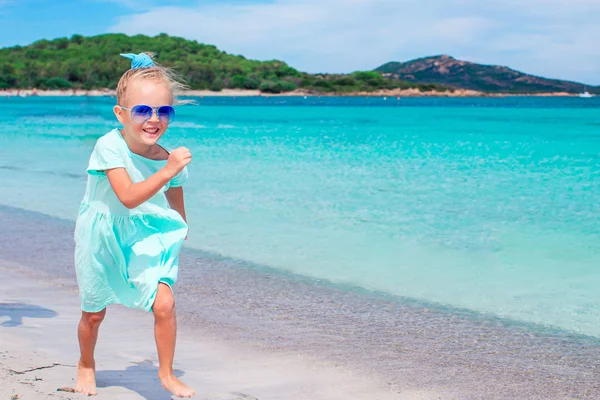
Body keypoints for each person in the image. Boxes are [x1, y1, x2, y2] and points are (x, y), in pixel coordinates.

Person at [73, 52, 195, 397]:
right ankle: (86, 363)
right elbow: (127, 196)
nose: (153, 119)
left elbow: (175, 199)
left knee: (165, 303)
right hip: (100, 234)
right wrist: (168, 170)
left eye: (163, 111)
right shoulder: (108, 146)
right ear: (121, 114)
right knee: (94, 313)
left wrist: (181, 230)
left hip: (145, 235)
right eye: (142, 110)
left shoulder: (166, 158)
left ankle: (167, 373)